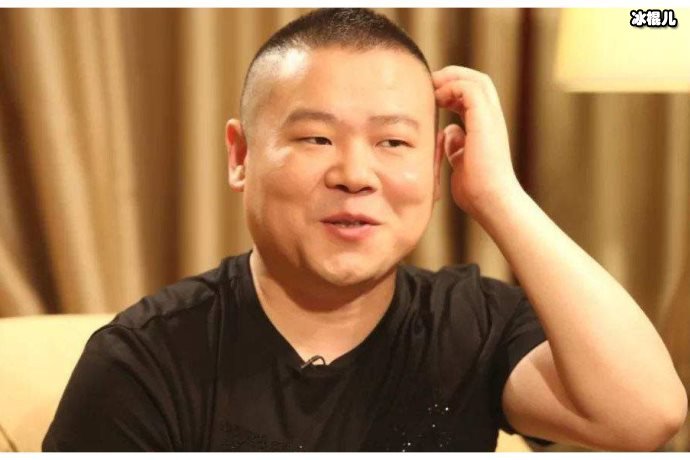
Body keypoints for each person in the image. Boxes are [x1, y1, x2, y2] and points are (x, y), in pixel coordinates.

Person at [43, 8, 687, 452]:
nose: (355, 174)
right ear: (240, 156)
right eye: (316, 138)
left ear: (435, 168)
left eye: (393, 142)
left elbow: (646, 417)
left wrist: (500, 196)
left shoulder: (471, 325)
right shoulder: (144, 361)